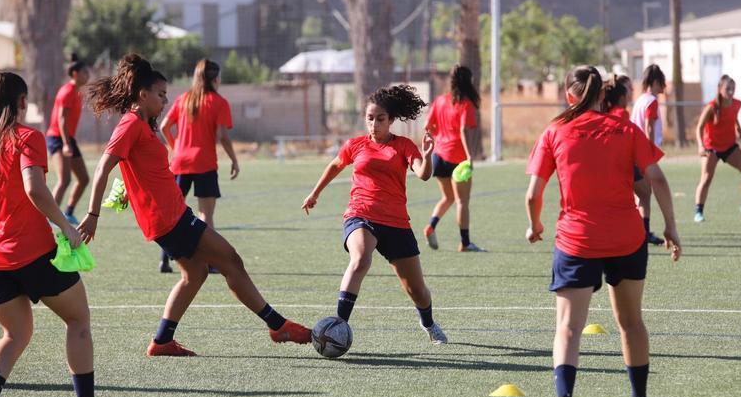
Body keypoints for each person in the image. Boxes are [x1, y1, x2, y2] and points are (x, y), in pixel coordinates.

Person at [78, 54, 311, 357]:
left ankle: (162, 341)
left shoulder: (143, 124)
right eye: (160, 95)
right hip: (169, 219)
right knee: (231, 260)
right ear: (143, 94)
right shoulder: (131, 124)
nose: (164, 101)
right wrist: (93, 214)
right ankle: (277, 325)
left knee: (196, 274)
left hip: (171, 215)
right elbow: (103, 166)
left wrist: (130, 187)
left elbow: (138, 167)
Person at [525, 65, 681, 397]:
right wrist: (670, 226)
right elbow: (656, 177)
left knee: (568, 327)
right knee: (631, 323)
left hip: (577, 240)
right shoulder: (625, 129)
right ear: (601, 96)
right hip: (627, 238)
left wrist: (535, 225)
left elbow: (533, 193)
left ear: (569, 97)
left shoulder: (555, 131)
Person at [0, 72, 121, 397]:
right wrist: (66, 227)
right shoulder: (27, 137)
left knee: (14, 335)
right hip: (34, 254)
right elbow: (35, 188)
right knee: (78, 319)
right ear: (22, 103)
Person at [302, 84, 447, 345]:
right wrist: (315, 193)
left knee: (417, 291)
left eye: (380, 119)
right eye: (370, 118)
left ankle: (428, 323)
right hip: (361, 215)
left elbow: (423, 174)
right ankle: (337, 325)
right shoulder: (355, 145)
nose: (374, 124)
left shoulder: (403, 145)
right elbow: (335, 165)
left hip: (396, 223)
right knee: (360, 259)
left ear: (391, 120)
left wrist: (427, 155)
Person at [158, 59, 239, 273]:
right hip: (204, 162)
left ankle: (165, 259)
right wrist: (234, 159)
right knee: (206, 214)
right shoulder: (218, 102)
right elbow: (222, 135)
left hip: (180, 162)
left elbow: (164, 126)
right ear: (215, 79)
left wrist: (176, 148)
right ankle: (211, 262)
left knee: (172, 213)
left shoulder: (183, 99)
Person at [422, 65, 484, 252]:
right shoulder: (465, 104)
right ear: (468, 82)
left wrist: (437, 139)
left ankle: (431, 226)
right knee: (462, 202)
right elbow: (463, 130)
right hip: (457, 159)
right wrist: (469, 156)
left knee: (447, 197)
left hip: (439, 157)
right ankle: (465, 243)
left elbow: (427, 125)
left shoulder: (440, 100)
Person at [693, 75, 741, 222]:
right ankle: (699, 212)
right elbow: (699, 127)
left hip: (729, 146)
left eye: (733, 89)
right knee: (706, 178)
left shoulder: (736, 104)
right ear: (720, 89)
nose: (731, 91)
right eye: (728, 89)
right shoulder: (712, 106)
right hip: (711, 148)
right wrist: (700, 145)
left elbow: (734, 117)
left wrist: (740, 133)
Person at [47, 54, 91, 224]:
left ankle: (69, 212)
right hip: (58, 139)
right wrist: (66, 144)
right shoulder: (67, 91)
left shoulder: (76, 92)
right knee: (64, 179)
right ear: (75, 74)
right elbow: (62, 119)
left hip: (68, 139)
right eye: (85, 72)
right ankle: (48, 217)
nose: (87, 75)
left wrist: (69, 141)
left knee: (83, 178)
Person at [630, 64, 666, 246]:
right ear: (656, 82)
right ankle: (643, 232)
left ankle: (640, 231)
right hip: (642, 153)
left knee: (640, 193)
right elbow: (649, 127)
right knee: (645, 193)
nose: (664, 88)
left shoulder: (639, 100)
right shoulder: (651, 100)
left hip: (633, 150)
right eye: (662, 83)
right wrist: (649, 152)